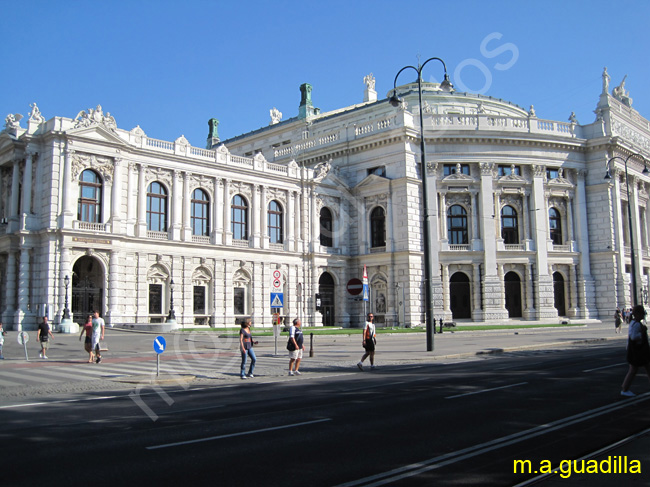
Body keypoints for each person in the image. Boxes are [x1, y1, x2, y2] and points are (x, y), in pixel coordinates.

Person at [621, 304, 650, 397]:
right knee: (633, 370)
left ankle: (625, 388)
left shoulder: (633, 323)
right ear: (638, 314)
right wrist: (642, 332)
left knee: (645, 368)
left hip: (637, 351)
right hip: (638, 351)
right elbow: (634, 337)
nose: (643, 315)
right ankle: (625, 389)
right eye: (642, 314)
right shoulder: (637, 324)